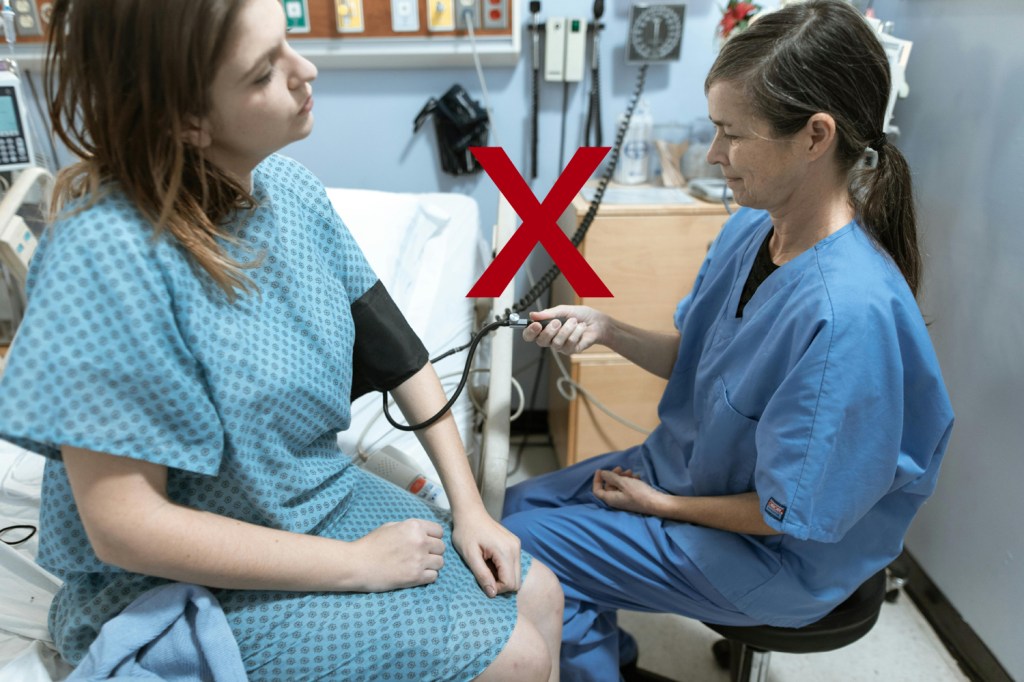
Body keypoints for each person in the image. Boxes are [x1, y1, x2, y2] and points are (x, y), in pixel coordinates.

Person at [0, 0, 564, 679]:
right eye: (266, 72)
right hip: (185, 575)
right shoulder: (106, 254)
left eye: (290, 44)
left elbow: (401, 356)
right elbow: (124, 528)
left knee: (541, 592)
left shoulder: (291, 193)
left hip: (316, 495)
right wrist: (356, 566)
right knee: (518, 660)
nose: (308, 71)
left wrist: (471, 509)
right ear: (186, 120)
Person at [502, 1, 954, 679]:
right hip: (694, 471)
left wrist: (660, 506)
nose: (713, 154)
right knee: (516, 504)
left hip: (775, 553)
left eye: (731, 134)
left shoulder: (848, 316)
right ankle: (600, 652)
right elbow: (701, 359)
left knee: (522, 548)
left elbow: (790, 515)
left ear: (814, 136)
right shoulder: (754, 228)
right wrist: (606, 327)